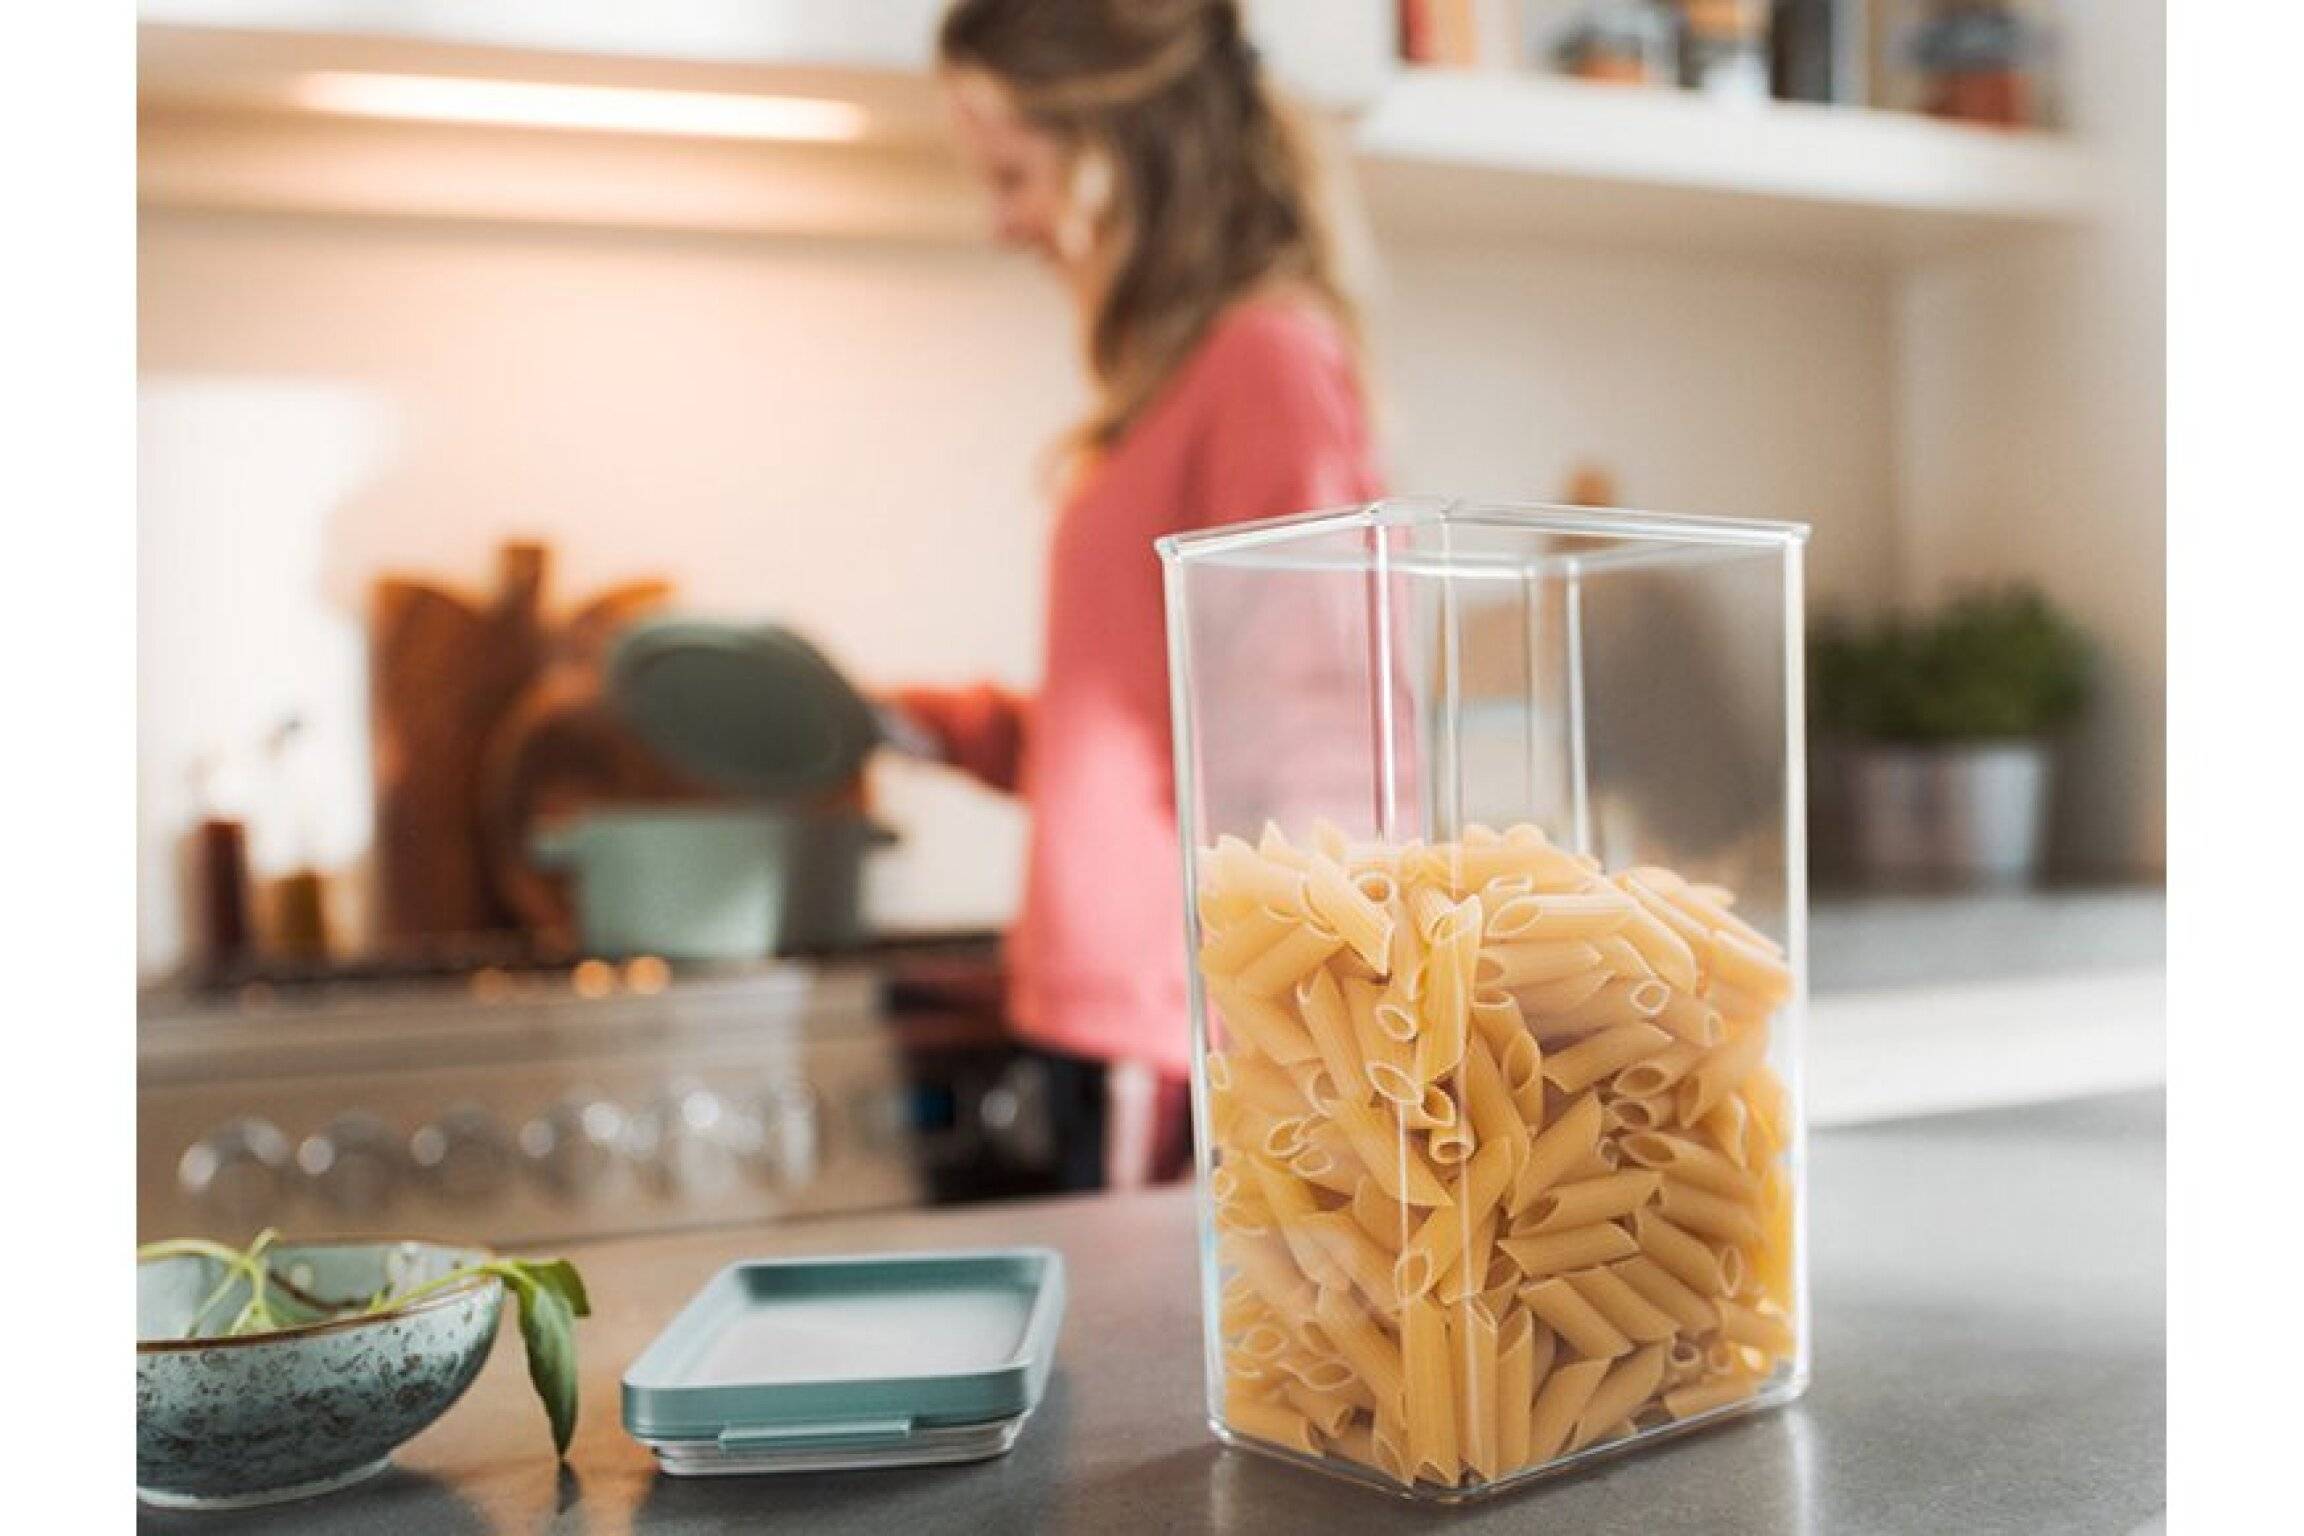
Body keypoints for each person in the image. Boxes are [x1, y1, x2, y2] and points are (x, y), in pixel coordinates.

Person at [890, 0, 1384, 1190]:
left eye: (1014, 172)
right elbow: (1140, 737)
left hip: (1180, 1036)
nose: (1003, 221)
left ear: (1124, 150)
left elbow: (1314, 748)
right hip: (1110, 1023)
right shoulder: (1174, 390)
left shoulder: (1267, 365)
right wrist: (913, 723)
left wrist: (1303, 1065)